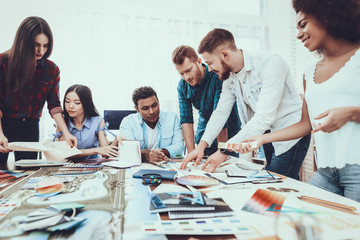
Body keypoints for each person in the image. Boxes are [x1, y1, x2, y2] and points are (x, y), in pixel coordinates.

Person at [240, 0, 360, 201]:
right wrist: (262, 138)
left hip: (357, 172)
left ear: (327, 17)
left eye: (303, 24)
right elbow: (305, 125)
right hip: (326, 173)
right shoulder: (309, 73)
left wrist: (351, 113)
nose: (298, 34)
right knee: (271, 209)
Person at [181, 28, 311, 180]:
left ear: (225, 55)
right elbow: (221, 112)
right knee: (277, 186)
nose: (209, 69)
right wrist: (202, 146)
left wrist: (224, 151)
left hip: (290, 135)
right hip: (267, 135)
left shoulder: (271, 64)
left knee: (277, 188)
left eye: (210, 63)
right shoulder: (229, 76)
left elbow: (263, 118)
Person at [0, 16, 77, 169]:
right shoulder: (3, 62)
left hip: (31, 128)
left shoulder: (52, 69)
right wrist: (0, 134)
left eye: (45, 45)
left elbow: (54, 106)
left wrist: (66, 133)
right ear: (23, 43)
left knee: (28, 172)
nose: (41, 51)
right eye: (35, 45)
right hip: (4, 124)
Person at [172, 45, 241, 156]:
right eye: (181, 73)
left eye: (188, 70)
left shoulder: (216, 76)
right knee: (199, 163)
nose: (186, 77)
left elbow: (220, 115)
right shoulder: (182, 85)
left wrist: (222, 153)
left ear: (199, 61)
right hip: (204, 129)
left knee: (224, 165)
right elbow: (186, 120)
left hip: (227, 129)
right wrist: (191, 153)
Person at [119, 86, 184, 162]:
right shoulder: (128, 122)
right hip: (139, 166)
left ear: (158, 102)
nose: (152, 112)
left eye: (154, 105)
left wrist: (159, 153)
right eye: (145, 108)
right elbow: (128, 150)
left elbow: (179, 146)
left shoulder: (172, 118)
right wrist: (148, 156)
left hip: (166, 164)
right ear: (137, 109)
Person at [55, 84, 119, 160]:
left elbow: (105, 153)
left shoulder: (97, 121)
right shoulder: (62, 124)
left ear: (86, 104)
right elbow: (67, 153)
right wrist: (95, 150)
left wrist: (103, 132)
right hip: (68, 166)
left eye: (77, 103)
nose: (70, 106)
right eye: (67, 101)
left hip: (93, 166)